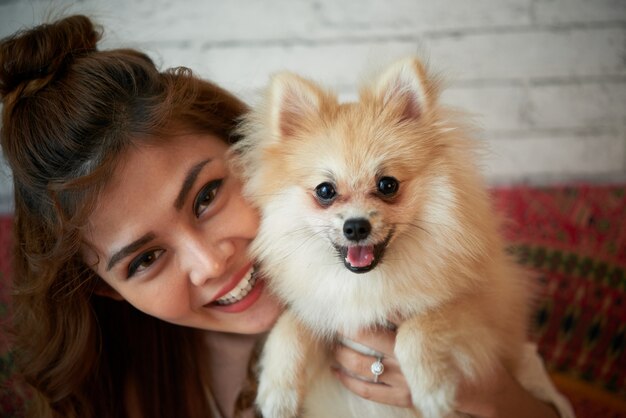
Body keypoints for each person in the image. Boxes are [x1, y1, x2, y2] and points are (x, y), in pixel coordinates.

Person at [0, 15, 574, 418]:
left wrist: (491, 396)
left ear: (252, 160)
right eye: (146, 259)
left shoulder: (433, 283)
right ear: (104, 292)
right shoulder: (131, 391)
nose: (211, 261)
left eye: (205, 198)